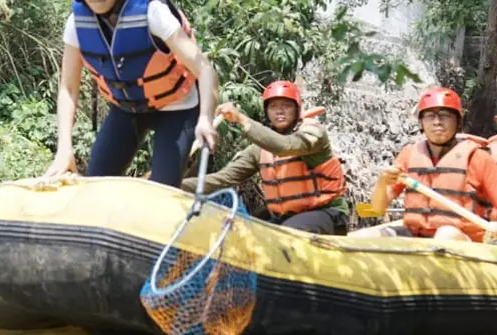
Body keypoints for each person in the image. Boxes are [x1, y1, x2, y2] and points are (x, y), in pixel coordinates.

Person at [46, 0, 218, 186]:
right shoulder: (76, 24)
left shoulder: (152, 12)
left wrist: (205, 118)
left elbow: (205, 69)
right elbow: (68, 89)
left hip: (177, 106)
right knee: (95, 183)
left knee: (162, 189)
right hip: (126, 108)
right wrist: (64, 149)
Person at [182, 80, 349, 234]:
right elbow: (223, 178)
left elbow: (285, 146)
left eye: (286, 106)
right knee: (237, 232)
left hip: (327, 213)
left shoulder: (314, 134)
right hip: (284, 216)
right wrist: (172, 183)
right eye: (273, 106)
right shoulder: (259, 150)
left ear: (297, 109)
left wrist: (241, 119)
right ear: (267, 112)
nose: (280, 111)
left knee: (285, 233)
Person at [362, 87, 497, 241]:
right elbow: (378, 208)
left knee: (446, 235)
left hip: (462, 239)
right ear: (421, 122)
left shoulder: (478, 158)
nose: (437, 122)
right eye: (430, 116)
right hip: (414, 235)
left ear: (458, 120)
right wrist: (382, 183)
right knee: (363, 236)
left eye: (445, 116)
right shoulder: (409, 154)